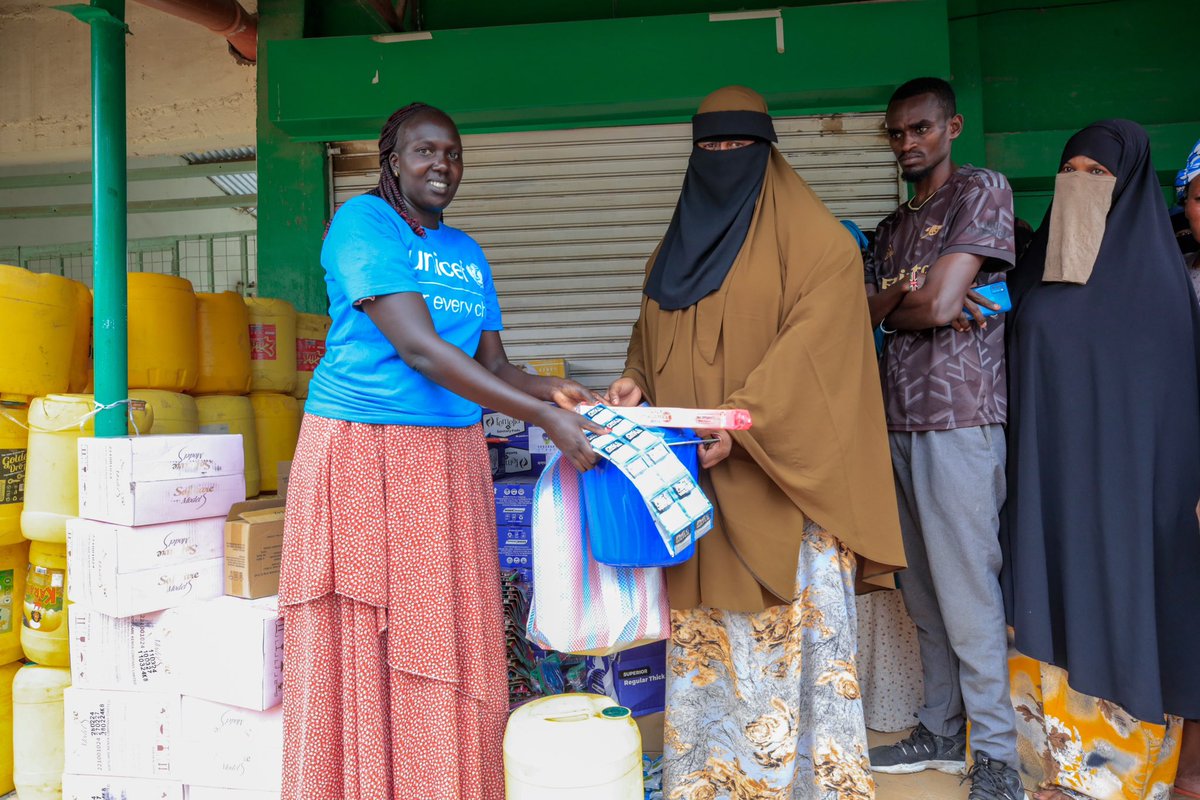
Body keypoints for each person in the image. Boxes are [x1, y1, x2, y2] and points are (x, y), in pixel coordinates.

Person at [277, 102, 603, 800]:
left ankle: (440, 781)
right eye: (425, 151)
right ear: (390, 159)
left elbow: (497, 367)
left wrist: (565, 393)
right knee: (369, 635)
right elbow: (422, 349)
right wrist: (542, 416)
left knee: (444, 626)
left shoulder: (465, 253)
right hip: (364, 448)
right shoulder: (364, 225)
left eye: (452, 154)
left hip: (448, 457)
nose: (442, 166)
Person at [606, 85, 906, 799]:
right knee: (711, 655)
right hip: (695, 493)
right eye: (707, 146)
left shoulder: (822, 248)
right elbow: (650, 341)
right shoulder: (669, 252)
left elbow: (817, 357)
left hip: (783, 493)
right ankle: (712, 783)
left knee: (786, 660)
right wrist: (632, 384)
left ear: (768, 152)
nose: (721, 158)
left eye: (738, 145)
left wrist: (736, 422)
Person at [1003, 119, 1200, 800]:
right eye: (1071, 172)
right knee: (1044, 617)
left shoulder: (1161, 290)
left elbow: (1171, 419)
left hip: (1127, 506)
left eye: (1099, 175)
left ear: (1132, 183)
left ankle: (1117, 779)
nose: (1081, 186)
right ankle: (1052, 777)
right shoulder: (1037, 277)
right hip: (1046, 494)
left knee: (1122, 614)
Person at [862, 77, 1024, 800]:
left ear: (952, 126)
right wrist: (911, 299)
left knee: (967, 594)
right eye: (897, 133)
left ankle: (996, 756)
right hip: (896, 418)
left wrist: (916, 303)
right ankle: (939, 723)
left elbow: (942, 306)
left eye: (921, 129)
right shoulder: (894, 226)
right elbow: (870, 311)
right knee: (920, 591)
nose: (908, 143)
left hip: (960, 417)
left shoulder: (980, 191)